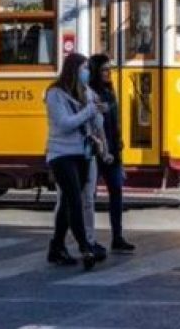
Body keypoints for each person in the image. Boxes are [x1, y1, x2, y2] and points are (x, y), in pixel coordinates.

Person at [45, 53, 101, 271]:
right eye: (84, 68)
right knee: (74, 200)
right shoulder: (55, 94)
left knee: (68, 203)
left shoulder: (85, 92)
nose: (87, 73)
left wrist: (96, 111)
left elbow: (96, 122)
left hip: (81, 153)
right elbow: (64, 124)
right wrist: (88, 110)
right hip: (61, 154)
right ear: (74, 69)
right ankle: (85, 247)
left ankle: (56, 247)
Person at [88, 54, 136, 254]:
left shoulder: (110, 92)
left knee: (116, 192)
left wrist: (118, 143)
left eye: (110, 69)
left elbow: (114, 122)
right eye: (104, 70)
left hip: (113, 150)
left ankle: (117, 236)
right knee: (89, 195)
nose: (109, 73)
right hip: (96, 150)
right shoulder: (90, 93)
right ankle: (88, 238)